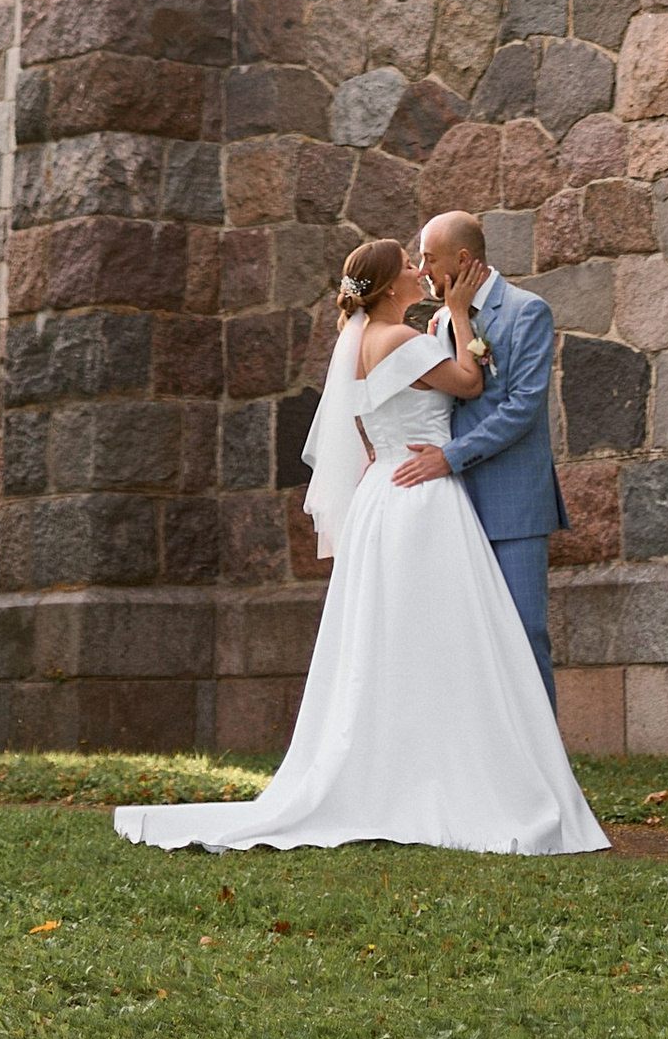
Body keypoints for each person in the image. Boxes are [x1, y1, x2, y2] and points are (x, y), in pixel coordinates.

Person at [109, 235, 607, 858]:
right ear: (391, 286)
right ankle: (453, 774)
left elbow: (364, 424)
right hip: (420, 498)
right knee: (450, 637)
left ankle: (415, 767)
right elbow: (471, 386)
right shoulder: (403, 338)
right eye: (409, 265)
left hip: (386, 492)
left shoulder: (362, 342)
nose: (419, 271)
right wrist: (456, 316)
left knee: (396, 638)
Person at [391, 210, 565, 708]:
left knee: (525, 632)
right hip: (453, 505)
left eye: (428, 258)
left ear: (462, 259)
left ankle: (542, 772)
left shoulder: (527, 311)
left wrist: (448, 458)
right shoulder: (442, 320)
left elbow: (521, 410)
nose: (421, 270)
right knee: (468, 642)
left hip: (512, 504)